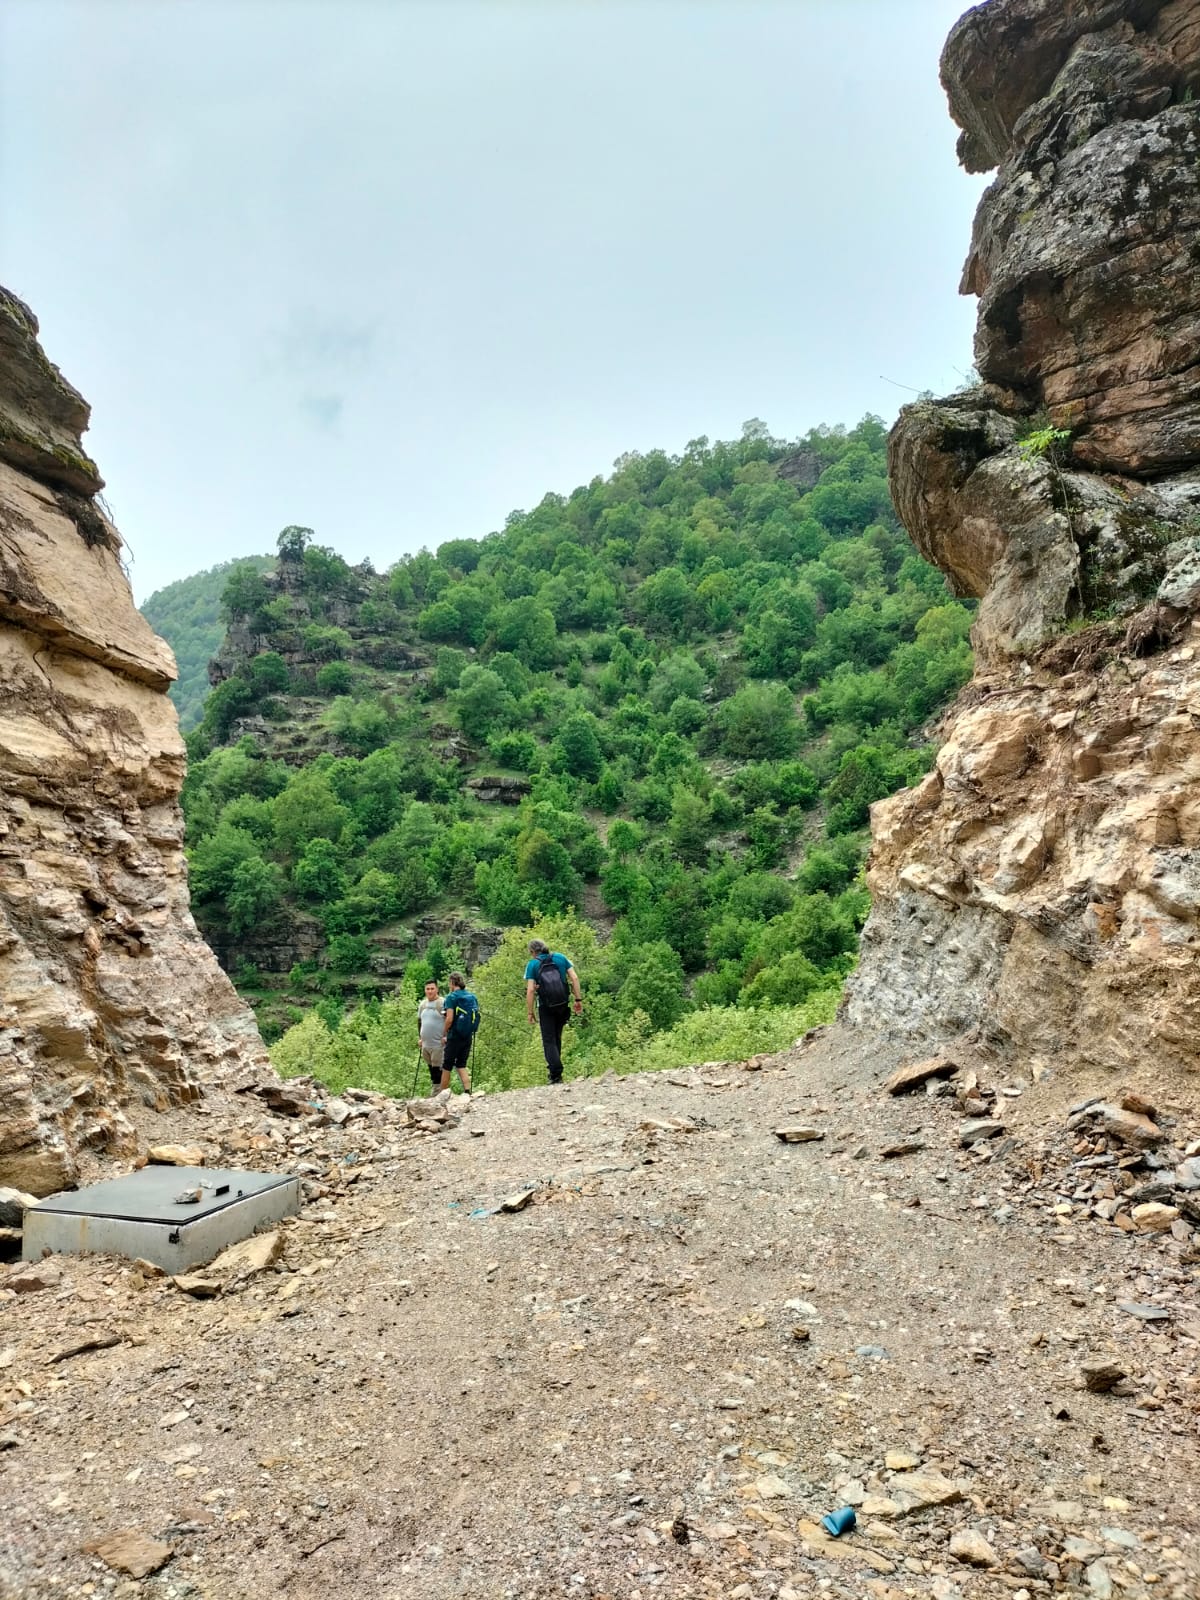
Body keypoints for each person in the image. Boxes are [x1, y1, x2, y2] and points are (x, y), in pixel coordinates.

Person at [525, 938, 582, 1084]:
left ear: (533, 952)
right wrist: (577, 1000)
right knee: (557, 1037)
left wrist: (530, 1012)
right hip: (563, 1003)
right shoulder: (560, 958)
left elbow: (531, 990)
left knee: (549, 1040)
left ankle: (555, 1074)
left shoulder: (532, 964)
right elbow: (574, 978)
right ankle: (557, 1072)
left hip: (546, 1006)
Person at [440, 971, 477, 1093]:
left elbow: (449, 1018)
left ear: (452, 982)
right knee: (461, 1064)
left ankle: (442, 1094)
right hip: (467, 1036)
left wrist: (444, 1033)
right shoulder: (471, 997)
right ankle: (467, 1091)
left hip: (454, 1036)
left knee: (447, 1065)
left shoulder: (451, 997)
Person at [416, 978, 445, 1091]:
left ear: (437, 989)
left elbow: (450, 1020)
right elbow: (419, 1022)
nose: (430, 991)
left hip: (438, 1043)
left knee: (438, 1068)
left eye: (432, 988)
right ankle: (436, 1089)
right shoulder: (422, 1004)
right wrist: (420, 1038)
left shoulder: (443, 1003)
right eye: (428, 989)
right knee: (431, 1067)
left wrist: (446, 1037)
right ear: (425, 990)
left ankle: (438, 1091)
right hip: (425, 1044)